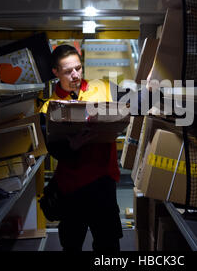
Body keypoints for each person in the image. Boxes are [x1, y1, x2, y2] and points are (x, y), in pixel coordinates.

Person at [39, 44, 156, 252]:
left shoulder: (102, 87)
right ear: (55, 72)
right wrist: (71, 146)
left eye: (78, 68)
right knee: (71, 244)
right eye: (68, 71)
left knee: (108, 244)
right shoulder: (49, 107)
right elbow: (52, 148)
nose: (75, 75)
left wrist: (147, 89)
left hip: (103, 182)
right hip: (71, 187)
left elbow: (136, 103)